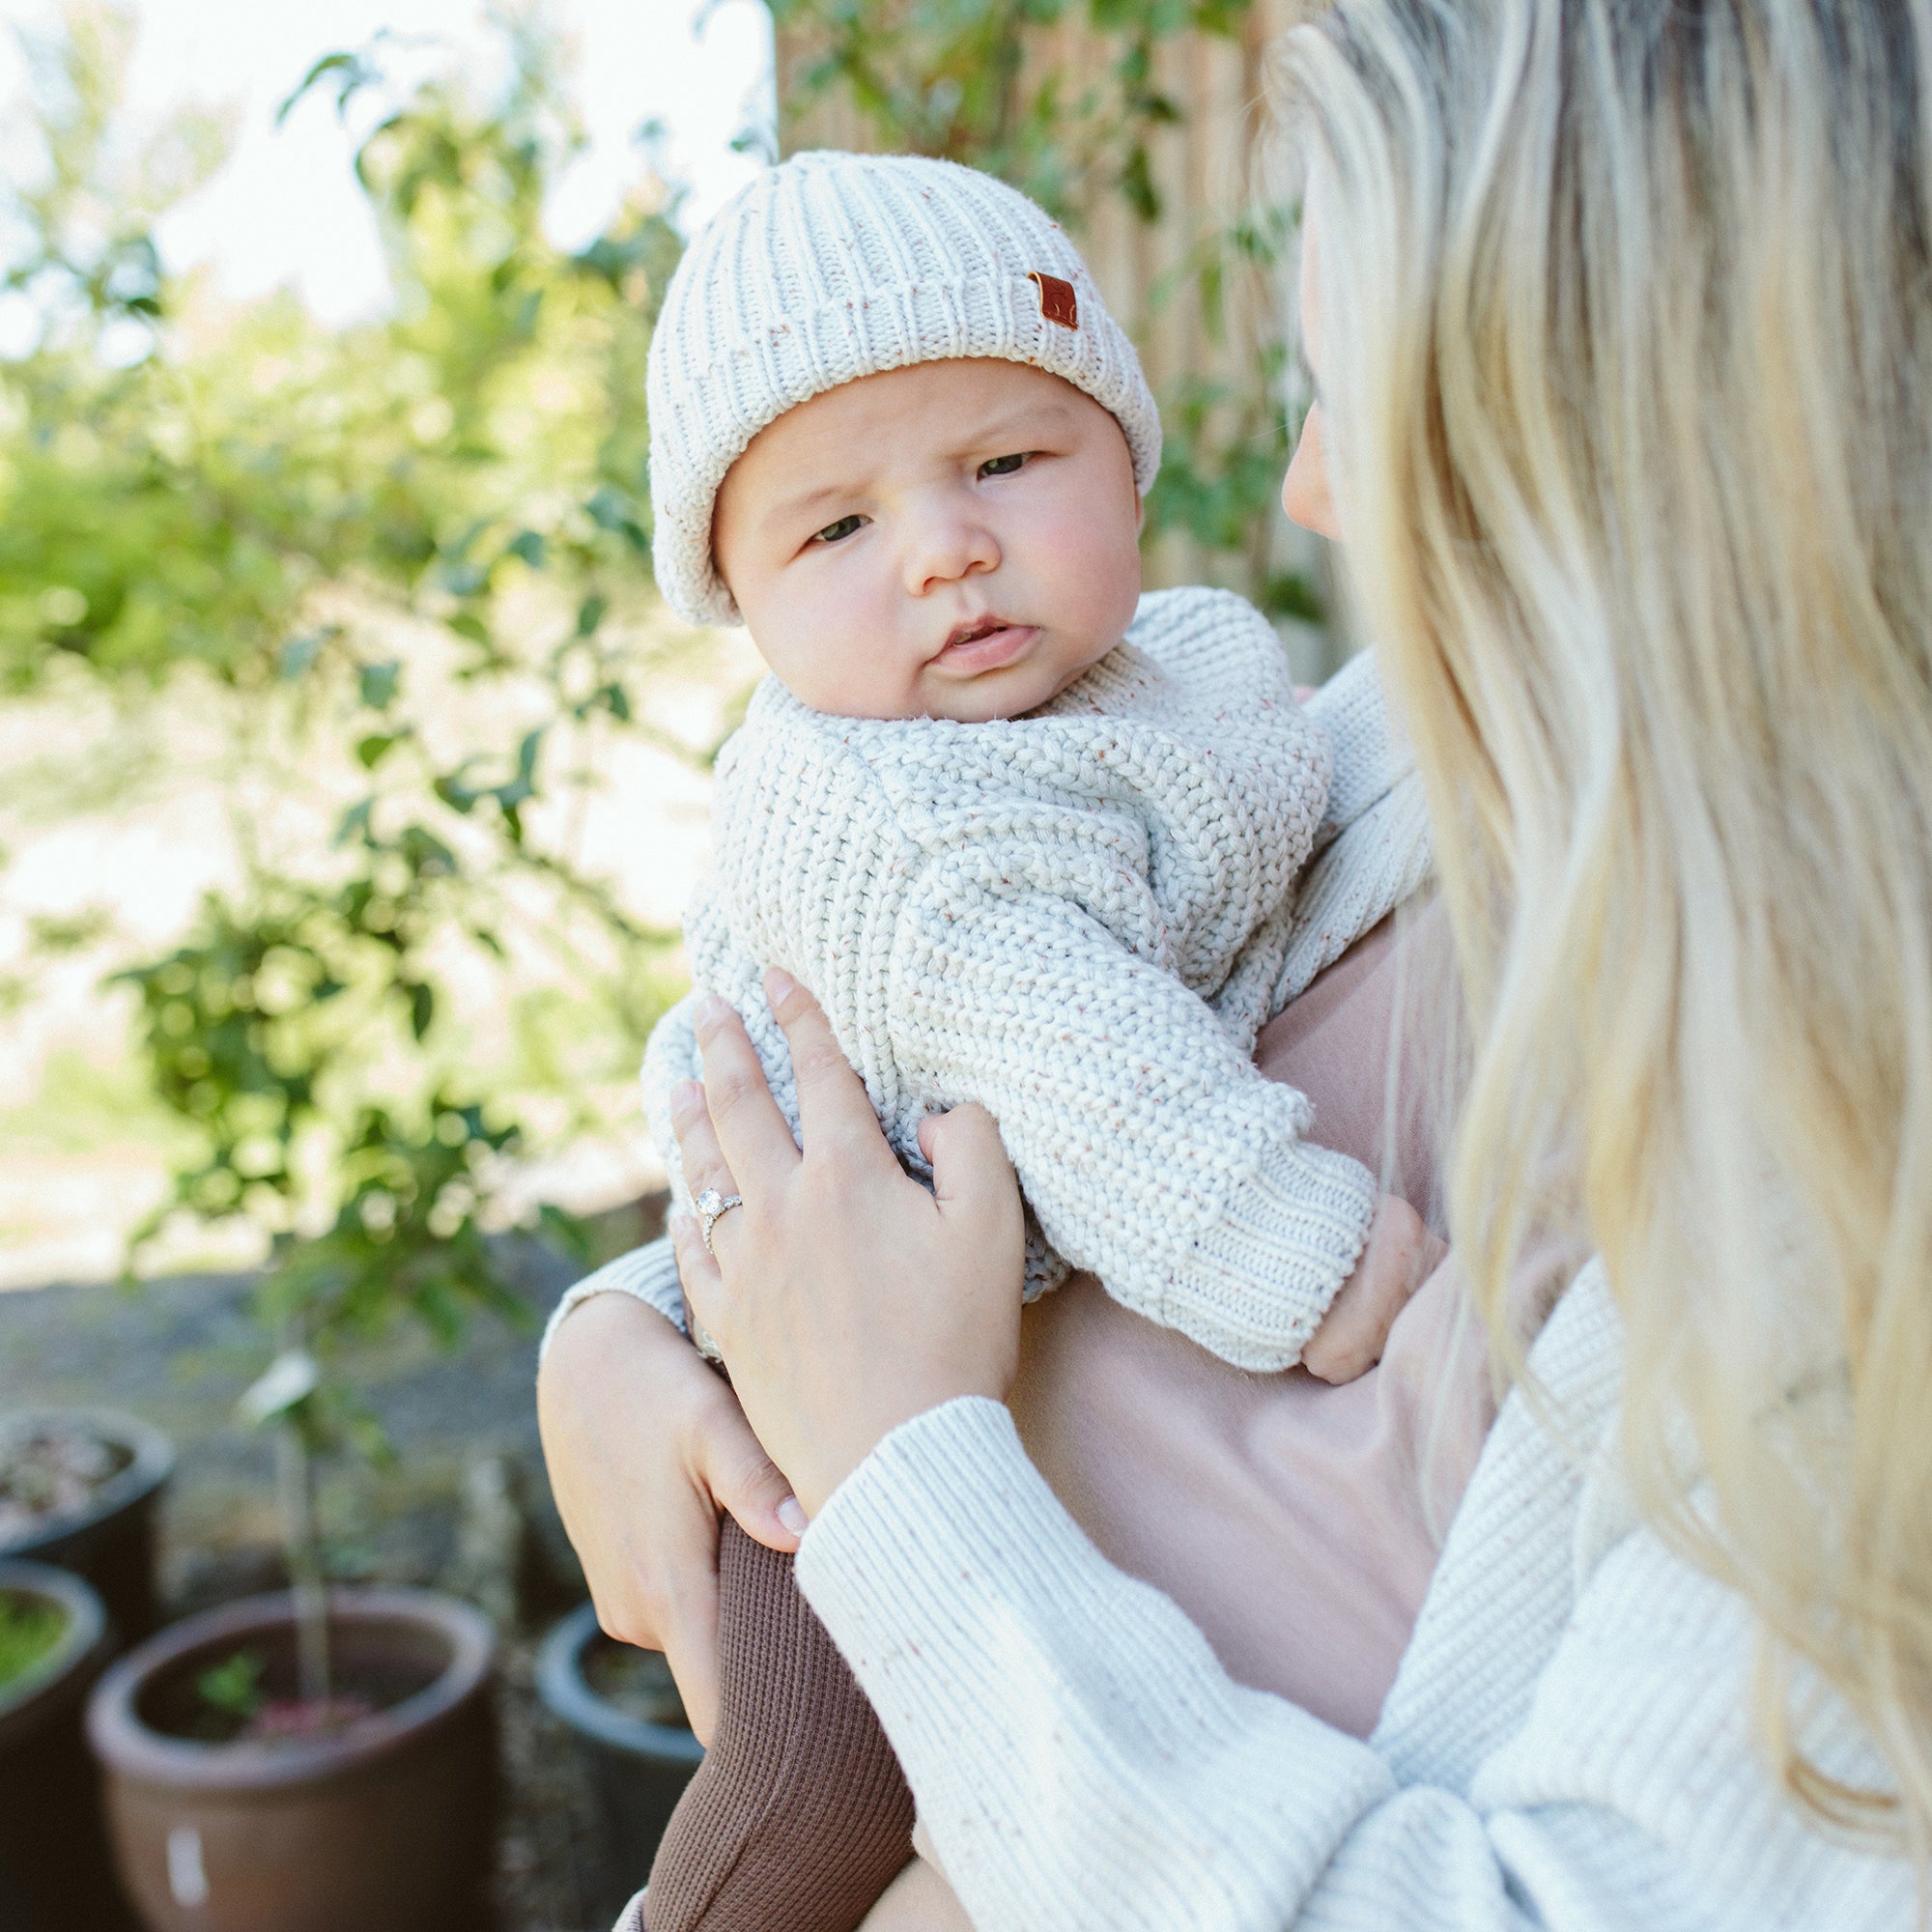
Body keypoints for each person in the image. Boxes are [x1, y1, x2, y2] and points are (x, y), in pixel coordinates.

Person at [545, 0, 1932, 1924]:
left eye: (1364, 390)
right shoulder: (1419, 756)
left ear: (1649, 421)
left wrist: (895, 1467)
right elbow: (966, 1067)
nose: (1303, 493)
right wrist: (620, 1336)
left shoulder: (1844, 1190)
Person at [549, 148, 1447, 1930]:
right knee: (812, 1788)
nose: (947, 548)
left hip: (968, 1420)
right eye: (837, 528)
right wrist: (1320, 1267)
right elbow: (1100, 1079)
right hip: (806, 1426)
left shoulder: (1173, 683)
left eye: (1004, 464)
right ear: (740, 600)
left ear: (1126, 455)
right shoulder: (912, 823)